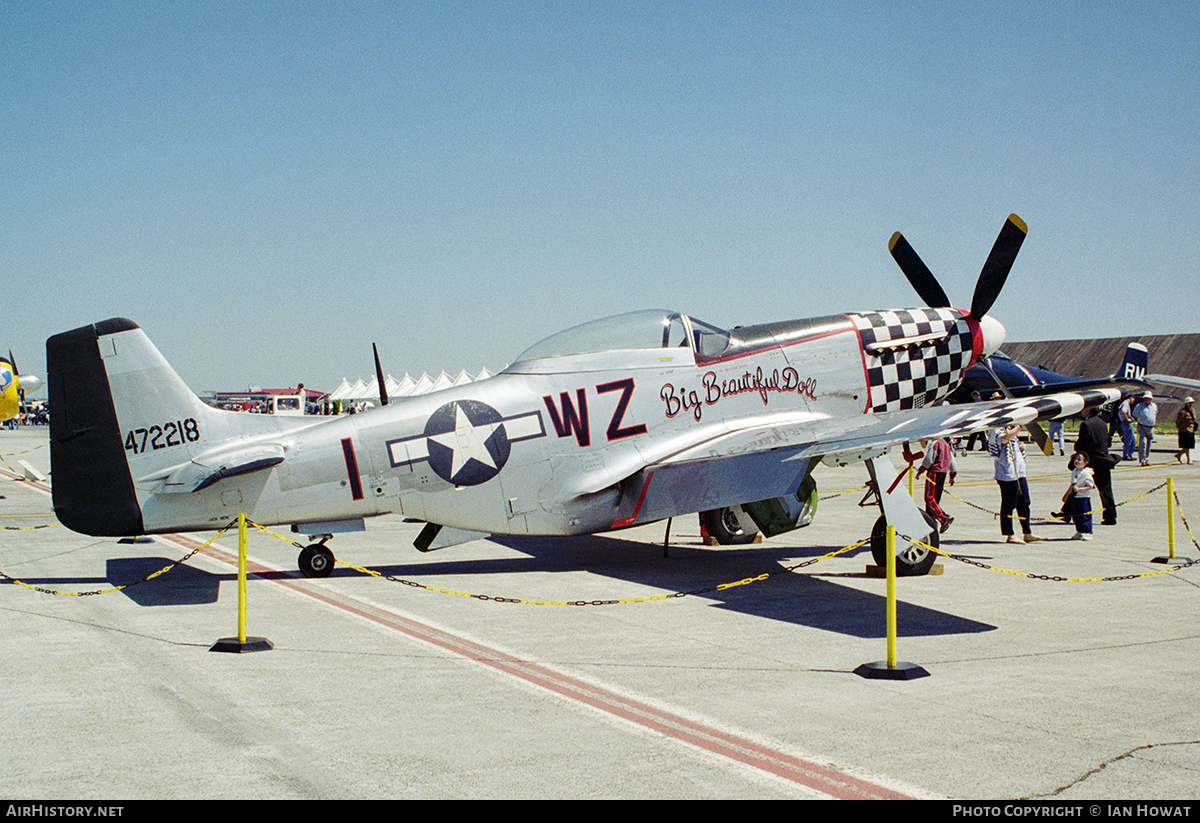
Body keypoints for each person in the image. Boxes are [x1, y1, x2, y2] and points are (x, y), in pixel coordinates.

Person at [988, 424, 1042, 544]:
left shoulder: (1009, 429)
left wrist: (1021, 446)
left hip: (1019, 472)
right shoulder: (995, 429)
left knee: (1024, 502)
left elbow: (1012, 441)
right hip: (1007, 474)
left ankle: (1027, 532)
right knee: (1009, 504)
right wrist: (1019, 427)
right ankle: (1009, 534)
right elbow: (1003, 439)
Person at [1073, 405, 1118, 525]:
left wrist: (1077, 450)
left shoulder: (1086, 424)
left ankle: (1068, 513)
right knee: (1106, 490)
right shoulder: (1103, 423)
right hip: (1103, 459)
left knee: (1077, 485)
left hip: (1091, 462)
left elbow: (1083, 443)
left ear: (1088, 410)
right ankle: (1110, 515)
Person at [916, 436, 957, 533]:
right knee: (936, 499)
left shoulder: (935, 443)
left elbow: (930, 459)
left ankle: (943, 518)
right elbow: (953, 462)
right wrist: (952, 475)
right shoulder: (946, 445)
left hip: (934, 472)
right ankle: (932, 524)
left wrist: (921, 469)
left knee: (929, 498)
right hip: (943, 474)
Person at [1063, 452, 1095, 540]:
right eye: (1075, 459)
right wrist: (1067, 494)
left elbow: (1091, 486)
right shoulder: (1074, 471)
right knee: (1076, 515)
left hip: (1083, 498)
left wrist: (1080, 489)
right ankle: (1080, 531)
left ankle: (1088, 532)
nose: (1077, 461)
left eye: (1079, 459)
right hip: (1075, 497)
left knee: (1085, 515)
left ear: (1086, 463)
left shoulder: (1086, 473)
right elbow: (1073, 484)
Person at [1134, 392, 1158, 466]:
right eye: (1145, 398)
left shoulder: (1154, 406)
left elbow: (1155, 414)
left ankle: (1147, 459)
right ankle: (1142, 460)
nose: (1147, 399)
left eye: (1148, 398)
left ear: (1151, 399)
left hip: (1150, 427)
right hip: (1142, 426)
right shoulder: (1139, 406)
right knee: (1143, 443)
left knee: (1149, 444)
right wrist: (1140, 421)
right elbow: (1134, 415)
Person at [1175, 397, 1196, 464]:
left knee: (1188, 446)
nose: (1191, 404)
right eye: (1190, 403)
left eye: (1192, 403)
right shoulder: (1183, 412)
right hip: (1184, 431)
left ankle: (1179, 455)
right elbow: (1178, 421)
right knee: (1187, 446)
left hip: (1191, 430)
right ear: (1186, 403)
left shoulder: (1192, 411)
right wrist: (1180, 428)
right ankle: (1188, 459)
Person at [1118, 394, 1138, 461]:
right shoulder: (1125, 403)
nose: (1133, 401)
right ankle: (1126, 455)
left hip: (1127, 423)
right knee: (1128, 440)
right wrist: (1127, 419)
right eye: (1133, 399)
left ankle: (1130, 454)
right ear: (1131, 398)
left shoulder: (1124, 403)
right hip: (1127, 423)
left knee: (1133, 441)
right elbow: (1123, 411)